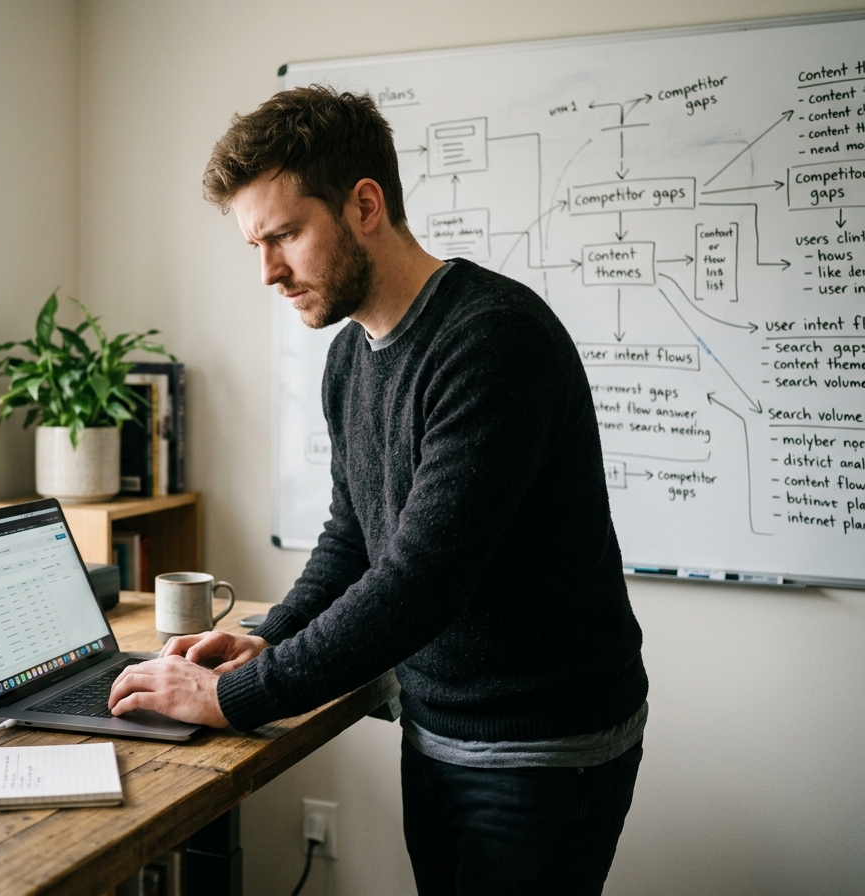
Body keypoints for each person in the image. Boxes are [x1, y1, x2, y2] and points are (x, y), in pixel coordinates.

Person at [109, 85, 649, 895]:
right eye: (256, 244)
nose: (268, 272)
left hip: (540, 750)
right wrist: (271, 636)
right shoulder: (351, 355)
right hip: (433, 726)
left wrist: (237, 697)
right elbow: (355, 537)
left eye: (285, 235)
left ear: (365, 205)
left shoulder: (493, 340)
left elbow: (419, 582)